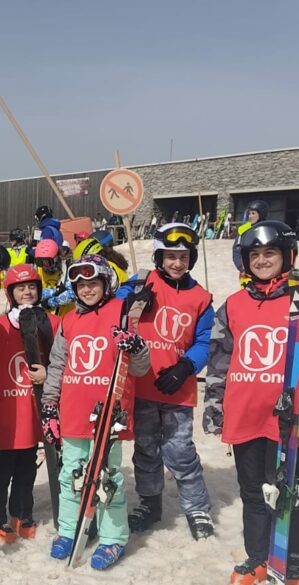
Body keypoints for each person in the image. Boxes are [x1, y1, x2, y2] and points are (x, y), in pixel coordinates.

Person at [203, 221, 299, 585]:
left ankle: (294, 552)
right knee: (251, 489)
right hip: (245, 410)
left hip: (290, 414)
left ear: (286, 256)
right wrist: (215, 407)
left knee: (288, 487)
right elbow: (219, 360)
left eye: (270, 253)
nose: (262, 261)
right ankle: (258, 555)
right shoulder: (233, 305)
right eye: (255, 255)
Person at [41, 254, 152, 570]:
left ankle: (112, 538)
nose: (87, 290)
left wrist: (135, 346)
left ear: (106, 283)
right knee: (71, 474)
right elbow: (58, 367)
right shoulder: (69, 321)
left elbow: (142, 369)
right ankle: (70, 529)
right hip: (73, 412)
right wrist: (49, 407)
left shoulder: (121, 313)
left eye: (93, 283)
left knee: (106, 477)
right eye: (81, 284)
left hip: (108, 415)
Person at [129, 224, 215, 539]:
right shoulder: (142, 282)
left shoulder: (201, 298)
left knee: (180, 451)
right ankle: (150, 504)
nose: (177, 263)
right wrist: (132, 300)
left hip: (177, 387)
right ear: (159, 257)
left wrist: (185, 367)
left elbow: (206, 341)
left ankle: (197, 509)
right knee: (146, 448)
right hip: (143, 384)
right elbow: (116, 311)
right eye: (170, 256)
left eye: (183, 256)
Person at [0, 264, 57, 542]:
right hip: (7, 407)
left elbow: (62, 359)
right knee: (4, 465)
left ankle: (22, 512)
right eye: (20, 288)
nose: (27, 292)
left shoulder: (50, 322)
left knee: (27, 464)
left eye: (32, 287)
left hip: (34, 406)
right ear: (11, 293)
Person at [231, 199, 268, 273]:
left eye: (253, 213)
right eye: (249, 214)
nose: (250, 216)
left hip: (266, 267)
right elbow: (236, 250)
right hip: (248, 269)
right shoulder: (243, 229)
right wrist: (242, 267)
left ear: (261, 214)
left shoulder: (268, 228)